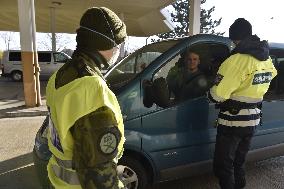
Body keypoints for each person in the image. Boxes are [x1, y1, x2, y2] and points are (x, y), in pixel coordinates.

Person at [45, 7, 127, 189]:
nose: (117, 49)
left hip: (57, 183)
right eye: (117, 43)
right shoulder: (90, 88)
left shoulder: (59, 76)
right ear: (105, 43)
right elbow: (99, 175)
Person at [209, 18, 277, 189]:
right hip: (253, 120)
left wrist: (208, 93)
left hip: (233, 121)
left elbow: (217, 95)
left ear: (235, 38)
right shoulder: (266, 59)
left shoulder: (236, 60)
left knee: (223, 166)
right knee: (239, 162)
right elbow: (272, 75)